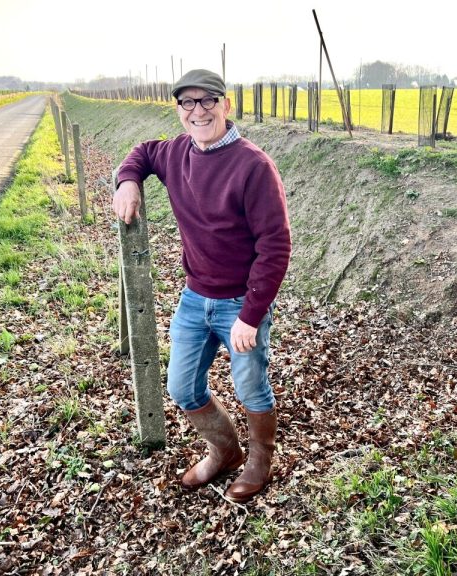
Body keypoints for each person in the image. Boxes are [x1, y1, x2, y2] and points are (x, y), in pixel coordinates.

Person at [112, 69, 291, 503]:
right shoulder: (176, 153)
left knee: (250, 385)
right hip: (195, 299)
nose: (198, 111)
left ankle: (259, 459)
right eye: (187, 103)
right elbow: (140, 153)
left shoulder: (253, 166)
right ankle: (224, 450)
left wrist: (251, 314)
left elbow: (276, 244)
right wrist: (128, 181)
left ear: (225, 106)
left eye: (207, 100)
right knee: (181, 387)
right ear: (178, 110)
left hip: (239, 303)